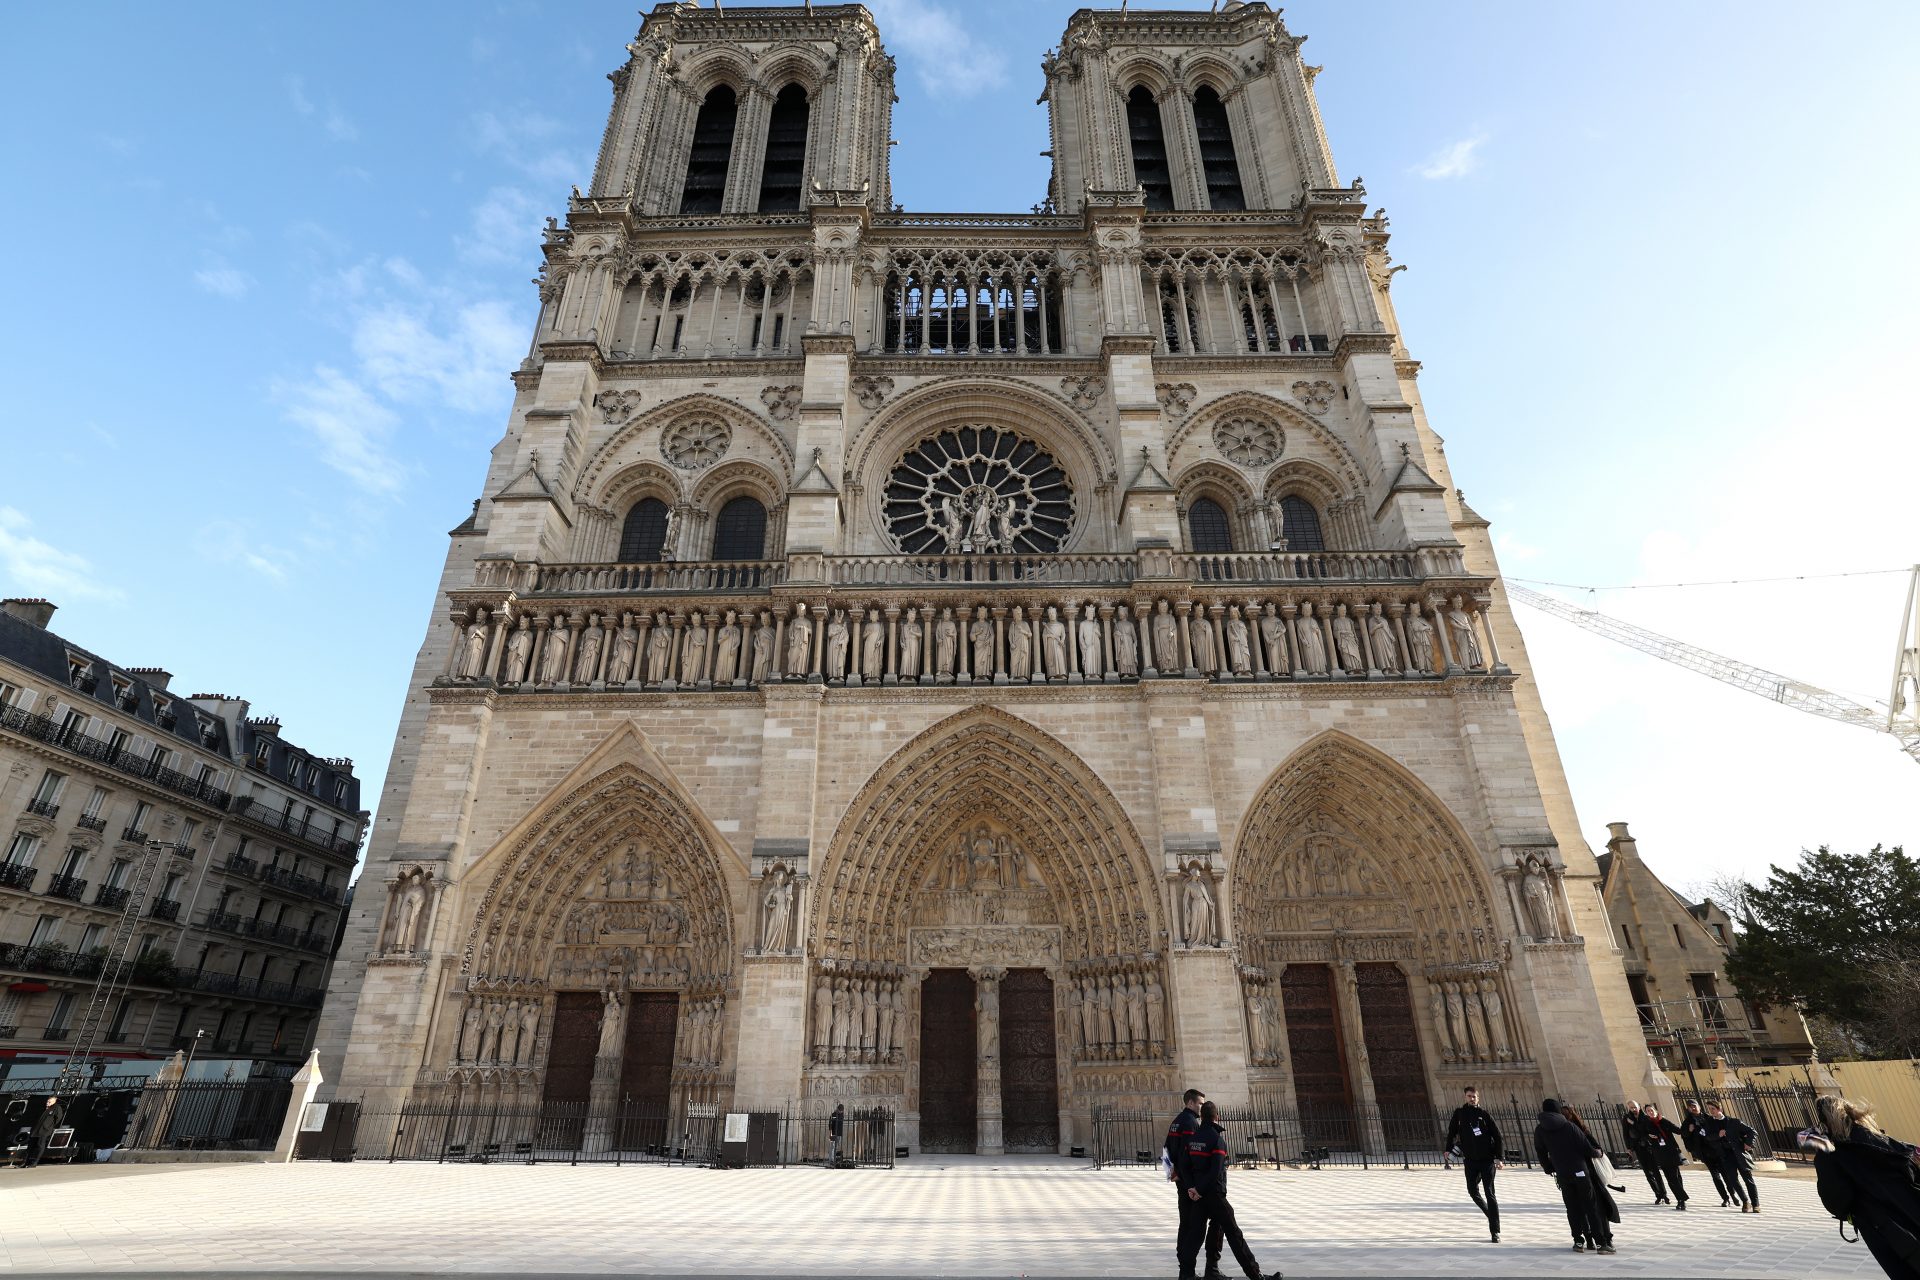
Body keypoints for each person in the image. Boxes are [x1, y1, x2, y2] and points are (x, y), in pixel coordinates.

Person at [1803, 1094, 1920, 1279]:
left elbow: (1837, 1201)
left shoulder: (1831, 1154)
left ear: (1823, 1122)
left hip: (1883, 1228)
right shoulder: (1881, 1139)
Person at [1176, 1101, 1282, 1280]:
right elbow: (1215, 1170)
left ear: (1201, 1117)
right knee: (1234, 1234)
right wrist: (1200, 1189)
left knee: (1195, 1234)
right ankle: (1255, 1275)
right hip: (1214, 1194)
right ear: (1216, 1117)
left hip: (1198, 1195)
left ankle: (1186, 1274)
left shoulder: (1192, 1139)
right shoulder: (1216, 1139)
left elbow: (1184, 1167)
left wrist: (1192, 1187)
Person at [1536, 1098, 1616, 1254]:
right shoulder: (1569, 1126)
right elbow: (1586, 1147)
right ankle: (1601, 1244)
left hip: (1562, 1173)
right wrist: (1597, 1153)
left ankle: (1578, 1241)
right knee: (1590, 1206)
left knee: (1572, 1208)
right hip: (1580, 1171)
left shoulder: (1540, 1129)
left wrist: (1549, 1168)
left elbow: (1540, 1152)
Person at [1167, 1089, 1224, 1279]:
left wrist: (1172, 1173)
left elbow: (1167, 1149)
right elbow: (1188, 1154)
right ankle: (1189, 1269)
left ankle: (1186, 1268)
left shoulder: (1176, 1121)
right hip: (1189, 1183)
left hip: (1180, 1179)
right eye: (1200, 1103)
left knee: (1185, 1224)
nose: (1202, 1107)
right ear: (1190, 1102)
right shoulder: (1190, 1122)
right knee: (1194, 1226)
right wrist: (1192, 1183)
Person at [1445, 1085, 1504, 1241]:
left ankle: (1494, 1231)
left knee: (1490, 1193)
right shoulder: (1459, 1114)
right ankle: (1491, 1215)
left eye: (1474, 1096)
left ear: (1478, 1098)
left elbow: (1497, 1136)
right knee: (1472, 1190)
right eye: (1469, 1096)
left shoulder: (1484, 1114)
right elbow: (1451, 1132)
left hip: (1487, 1160)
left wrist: (1499, 1158)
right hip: (1470, 1160)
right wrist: (1448, 1149)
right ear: (1465, 1097)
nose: (1472, 1098)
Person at [1704, 1100, 1760, 1212]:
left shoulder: (1734, 1122)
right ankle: (1745, 1202)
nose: (1711, 1111)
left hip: (1739, 1154)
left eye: (1713, 1109)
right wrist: (1718, 1135)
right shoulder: (1710, 1123)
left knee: (1748, 1179)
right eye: (1709, 1109)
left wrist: (1748, 1143)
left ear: (1720, 1109)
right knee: (1733, 1180)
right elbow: (1708, 1137)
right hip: (1725, 1156)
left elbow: (1752, 1131)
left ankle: (1756, 1204)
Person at [1682, 1098, 1734, 1207]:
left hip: (1716, 1150)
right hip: (1704, 1153)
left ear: (1699, 1106)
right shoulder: (1687, 1122)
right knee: (1716, 1177)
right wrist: (1689, 1131)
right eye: (1690, 1107)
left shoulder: (1709, 1118)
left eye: (1694, 1105)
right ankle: (1725, 1198)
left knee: (1725, 1174)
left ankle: (1733, 1194)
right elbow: (1684, 1136)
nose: (1692, 1108)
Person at [1639, 1104, 1690, 1210]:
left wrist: (1689, 1127)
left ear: (1655, 1111)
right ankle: (1681, 1199)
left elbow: (1678, 1130)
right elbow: (1642, 1136)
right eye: (1648, 1111)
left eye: (1651, 1110)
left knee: (1675, 1177)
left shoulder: (1664, 1121)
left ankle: (1681, 1200)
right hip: (1660, 1154)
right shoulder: (1647, 1124)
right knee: (1670, 1178)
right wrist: (1648, 1136)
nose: (1650, 1112)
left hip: (1672, 1152)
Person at [1621, 1100, 1669, 1204]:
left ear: (1639, 1106)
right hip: (1638, 1147)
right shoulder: (1626, 1118)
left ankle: (1664, 1194)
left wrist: (1633, 1124)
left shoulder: (1645, 1117)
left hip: (1649, 1147)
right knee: (1647, 1173)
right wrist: (1628, 1148)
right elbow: (1626, 1133)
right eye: (1631, 1108)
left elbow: (1645, 1130)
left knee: (1656, 1171)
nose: (1633, 1109)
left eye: (1634, 1107)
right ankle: (1658, 1195)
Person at [25, 1096, 64, 1168]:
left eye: (49, 1102)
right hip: (36, 1129)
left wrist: (48, 1125)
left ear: (54, 1101)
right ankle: (25, 1162)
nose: (47, 1103)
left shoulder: (56, 1107)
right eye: (47, 1101)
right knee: (30, 1146)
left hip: (45, 1130)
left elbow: (58, 1118)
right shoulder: (43, 1107)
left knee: (40, 1145)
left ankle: (35, 1162)